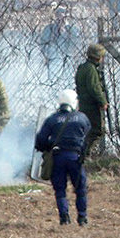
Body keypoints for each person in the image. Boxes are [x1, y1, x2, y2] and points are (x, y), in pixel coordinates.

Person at [35, 89, 91, 226]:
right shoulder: (82, 118)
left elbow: (40, 140)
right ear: (74, 102)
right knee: (80, 189)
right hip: (75, 158)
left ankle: (64, 217)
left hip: (57, 157)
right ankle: (82, 218)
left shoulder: (52, 119)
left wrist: (48, 148)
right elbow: (88, 136)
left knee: (60, 190)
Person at [74, 43, 109, 157]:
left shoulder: (83, 67)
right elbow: (94, 88)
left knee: (86, 130)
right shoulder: (91, 69)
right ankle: (83, 154)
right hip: (91, 106)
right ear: (98, 57)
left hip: (84, 104)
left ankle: (82, 153)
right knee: (96, 130)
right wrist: (103, 102)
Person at [38, 4, 81, 83]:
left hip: (68, 62)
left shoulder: (73, 30)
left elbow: (75, 45)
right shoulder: (49, 29)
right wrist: (50, 54)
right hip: (53, 60)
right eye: (58, 14)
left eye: (63, 14)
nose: (60, 17)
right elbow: (42, 44)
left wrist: (66, 29)